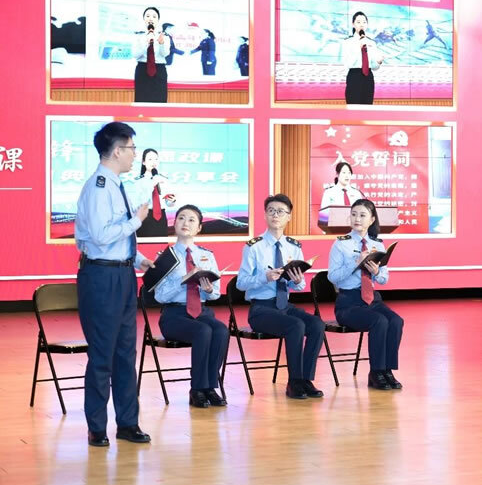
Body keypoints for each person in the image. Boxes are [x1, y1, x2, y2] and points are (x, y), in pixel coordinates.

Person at [74, 121, 154, 447]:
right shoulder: (98, 187)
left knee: (125, 353)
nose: (135, 154)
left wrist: (138, 259)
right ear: (118, 150)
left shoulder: (117, 184)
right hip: (101, 278)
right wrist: (137, 221)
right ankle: (97, 426)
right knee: (102, 354)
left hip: (122, 275)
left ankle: (127, 423)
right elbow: (100, 236)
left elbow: (117, 237)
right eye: (132, 148)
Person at [236, 194, 325, 399]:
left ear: (289, 217)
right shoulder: (253, 247)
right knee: (296, 325)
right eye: (271, 211)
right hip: (261, 309)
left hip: (285, 306)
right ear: (265, 215)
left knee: (317, 324)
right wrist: (264, 277)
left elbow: (300, 286)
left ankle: (305, 379)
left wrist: (297, 280)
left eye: (280, 211)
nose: (275, 215)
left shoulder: (294, 246)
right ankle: (294, 382)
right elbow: (241, 283)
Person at [155, 204, 229, 408]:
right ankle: (197, 389)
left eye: (191, 220)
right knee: (203, 331)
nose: (185, 223)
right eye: (181, 218)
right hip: (174, 315)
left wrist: (208, 289)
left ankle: (209, 387)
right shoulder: (165, 256)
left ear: (199, 228)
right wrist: (184, 279)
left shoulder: (207, 255)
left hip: (202, 311)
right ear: (174, 223)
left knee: (221, 330)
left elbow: (215, 294)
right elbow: (159, 296)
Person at [327, 199, 403, 390]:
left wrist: (376, 272)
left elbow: (384, 279)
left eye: (362, 215)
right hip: (348, 303)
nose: (357, 219)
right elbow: (333, 277)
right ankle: (375, 372)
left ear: (372, 219)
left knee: (396, 321)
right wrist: (355, 263)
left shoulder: (377, 244)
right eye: (353, 214)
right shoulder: (340, 244)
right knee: (379, 321)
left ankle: (387, 370)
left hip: (372, 300)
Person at [343, 11, 384, 104]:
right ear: (353, 24)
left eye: (364, 22)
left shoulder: (371, 42)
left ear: (367, 24)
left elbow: (374, 67)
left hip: (368, 78)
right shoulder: (347, 42)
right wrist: (359, 47)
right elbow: (348, 63)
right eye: (358, 22)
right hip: (354, 76)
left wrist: (378, 62)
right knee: (353, 107)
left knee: (367, 107)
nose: (361, 25)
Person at [133, 148, 176, 237]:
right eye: (150, 159)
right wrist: (152, 184)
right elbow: (141, 201)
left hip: (161, 217)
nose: (154, 162)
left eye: (156, 159)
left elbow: (168, 203)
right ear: (143, 162)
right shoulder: (139, 181)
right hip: (145, 216)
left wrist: (172, 201)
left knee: (161, 244)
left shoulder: (163, 179)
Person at [132, 7, 169, 103]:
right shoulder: (138, 36)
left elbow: (165, 54)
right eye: (147, 16)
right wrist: (146, 43)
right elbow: (135, 54)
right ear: (144, 19)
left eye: (154, 16)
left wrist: (161, 44)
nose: (151, 18)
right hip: (142, 70)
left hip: (159, 70)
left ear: (158, 20)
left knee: (160, 102)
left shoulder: (164, 36)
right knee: (141, 101)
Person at [318, 162, 364, 229]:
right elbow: (323, 217)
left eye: (349, 173)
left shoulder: (356, 193)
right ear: (337, 174)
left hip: (354, 230)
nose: (347, 176)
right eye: (344, 173)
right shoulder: (329, 193)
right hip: (334, 230)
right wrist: (326, 231)